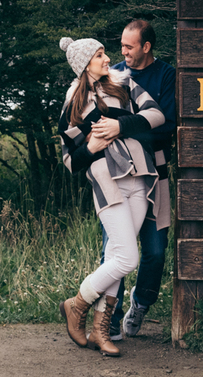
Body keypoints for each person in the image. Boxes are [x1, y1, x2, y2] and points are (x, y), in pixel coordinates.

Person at [57, 36, 168, 357]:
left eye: (105, 53)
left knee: (119, 256)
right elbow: (70, 161)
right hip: (108, 182)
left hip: (140, 176)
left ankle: (100, 330)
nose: (108, 59)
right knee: (127, 259)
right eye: (100, 55)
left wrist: (120, 126)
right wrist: (91, 147)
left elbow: (156, 115)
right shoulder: (74, 104)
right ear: (84, 63)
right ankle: (76, 304)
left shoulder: (124, 84)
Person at [107, 20, 175, 339]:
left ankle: (141, 303)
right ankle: (109, 317)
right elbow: (104, 121)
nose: (123, 51)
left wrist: (127, 127)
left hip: (156, 171)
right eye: (122, 45)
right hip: (121, 172)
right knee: (115, 247)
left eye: (129, 46)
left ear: (146, 47)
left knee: (156, 249)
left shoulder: (166, 75)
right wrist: (139, 126)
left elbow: (168, 124)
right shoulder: (115, 75)